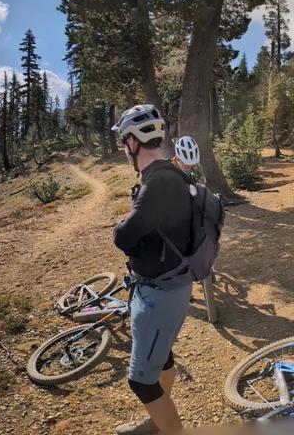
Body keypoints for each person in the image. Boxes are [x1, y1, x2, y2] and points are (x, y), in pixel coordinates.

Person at [111, 104, 193, 435]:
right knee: (162, 357)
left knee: (142, 382)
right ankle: (157, 422)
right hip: (173, 286)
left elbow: (124, 236)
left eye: (123, 143)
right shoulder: (173, 173)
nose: (124, 149)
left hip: (160, 294)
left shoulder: (156, 184)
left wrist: (120, 224)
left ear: (133, 142)